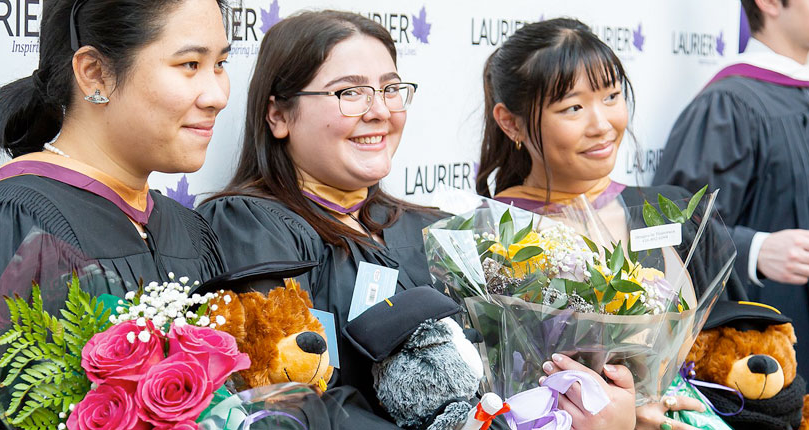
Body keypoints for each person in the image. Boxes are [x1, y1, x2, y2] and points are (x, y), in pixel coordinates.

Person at [0, 0, 231, 427]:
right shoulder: (10, 223)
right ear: (94, 73)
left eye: (221, 63)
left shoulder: (187, 229)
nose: (218, 95)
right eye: (190, 64)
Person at [477, 18, 749, 430]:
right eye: (572, 107)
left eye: (611, 96)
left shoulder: (674, 213)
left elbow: (735, 348)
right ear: (511, 122)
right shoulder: (491, 240)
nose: (602, 124)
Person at [197, 11, 443, 428]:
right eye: (350, 93)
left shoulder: (432, 229)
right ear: (278, 115)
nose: (380, 110)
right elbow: (292, 399)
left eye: (390, 88)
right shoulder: (250, 225)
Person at [654, 0, 809, 379]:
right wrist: (753, 250)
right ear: (769, 3)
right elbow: (671, 228)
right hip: (760, 361)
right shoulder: (729, 105)